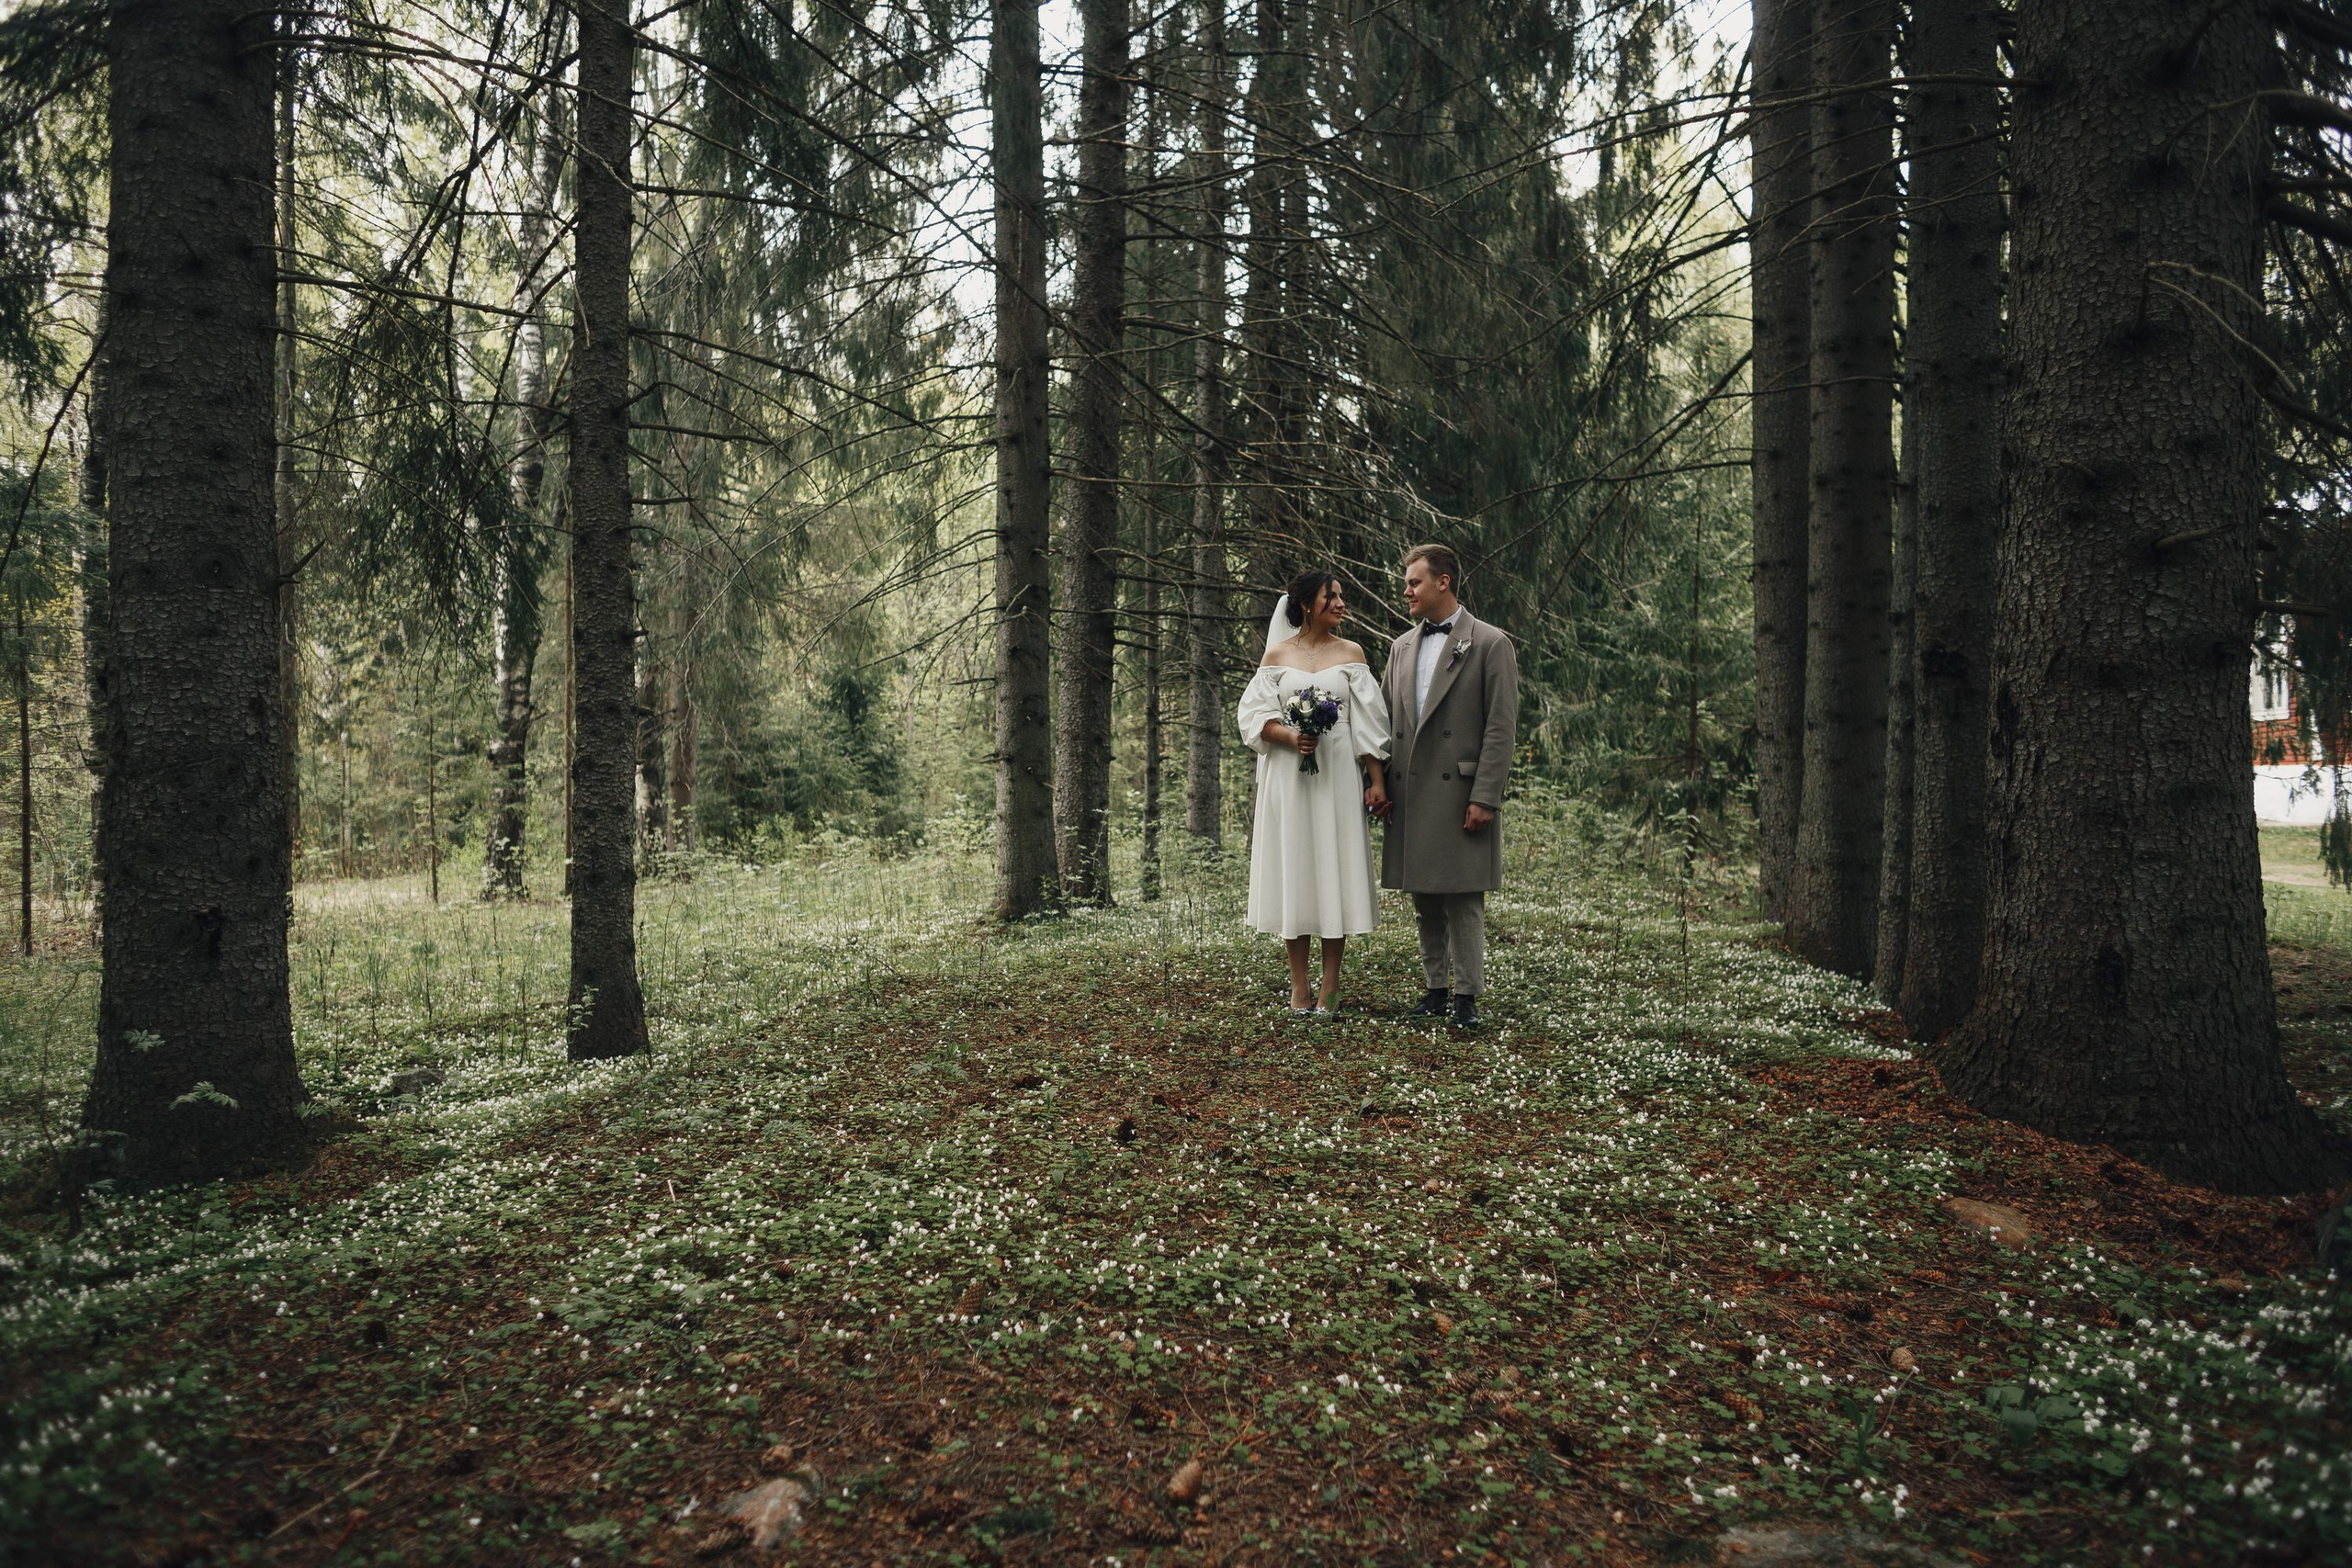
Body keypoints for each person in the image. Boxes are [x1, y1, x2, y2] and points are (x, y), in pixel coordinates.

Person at [1236, 570, 1395, 1015]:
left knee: (1332, 867)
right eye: (1333, 596)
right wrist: (1290, 737)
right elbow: (1253, 718)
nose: (1342, 603)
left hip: (1337, 775)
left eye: (1342, 595)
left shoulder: (1351, 654)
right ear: (1307, 604)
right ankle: (1299, 986)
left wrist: (1376, 779)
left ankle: (1331, 987)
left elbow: (1369, 723)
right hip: (1289, 778)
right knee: (1297, 868)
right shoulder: (1277, 655)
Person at [1375, 544, 1519, 1031]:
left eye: (1414, 581)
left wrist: (1486, 796)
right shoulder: (1400, 646)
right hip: (1411, 791)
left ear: (1444, 582)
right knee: (1424, 899)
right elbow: (1385, 722)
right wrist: (1377, 782)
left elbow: (1501, 728)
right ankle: (1435, 989)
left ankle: (1466, 998)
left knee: (1463, 899)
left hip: (1460, 794)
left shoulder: (1490, 643)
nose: (1406, 590)